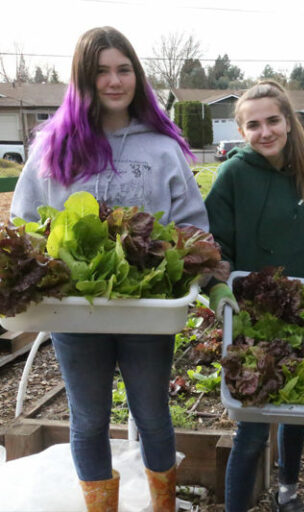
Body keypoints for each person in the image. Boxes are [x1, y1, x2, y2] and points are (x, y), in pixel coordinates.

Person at [10, 26, 208, 511]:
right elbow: (24, 225)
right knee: (89, 420)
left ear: (137, 77)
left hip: (147, 311)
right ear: (83, 79)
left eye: (124, 69)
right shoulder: (52, 148)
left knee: (154, 416)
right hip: (77, 315)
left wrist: (195, 269)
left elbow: (193, 226)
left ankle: (163, 506)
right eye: (101, 71)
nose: (114, 81)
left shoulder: (162, 148)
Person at [204, 80, 304, 512]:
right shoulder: (233, 175)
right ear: (242, 132)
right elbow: (213, 243)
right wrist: (218, 285)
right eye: (253, 125)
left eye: (273, 120)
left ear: (289, 123)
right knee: (252, 429)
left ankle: (288, 493)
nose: (265, 131)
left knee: (298, 409)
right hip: (254, 315)